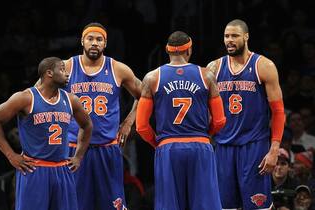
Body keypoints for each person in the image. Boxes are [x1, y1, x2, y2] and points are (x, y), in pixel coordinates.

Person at [0, 57, 93, 210]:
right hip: (35, 169)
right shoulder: (25, 98)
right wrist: (11, 155)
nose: (67, 73)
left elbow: (87, 125)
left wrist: (78, 156)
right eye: (62, 69)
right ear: (49, 73)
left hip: (62, 169)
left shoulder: (71, 100)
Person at [136, 31, 226, 210]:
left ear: (167, 51)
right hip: (200, 145)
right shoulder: (206, 75)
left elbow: (141, 126)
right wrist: (204, 135)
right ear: (189, 50)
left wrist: (159, 143)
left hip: (168, 148)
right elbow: (220, 120)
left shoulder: (152, 78)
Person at [206, 19, 285, 209]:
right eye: (226, 36)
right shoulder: (214, 68)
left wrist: (274, 149)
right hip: (223, 146)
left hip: (254, 146)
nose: (229, 40)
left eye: (234, 36)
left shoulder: (263, 66)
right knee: (225, 207)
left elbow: (279, 112)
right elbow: (205, 112)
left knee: (257, 206)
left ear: (246, 37)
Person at [63, 22, 141, 210]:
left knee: (113, 205)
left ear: (105, 44)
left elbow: (145, 95)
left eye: (99, 39)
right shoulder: (66, 67)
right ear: (82, 41)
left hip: (107, 148)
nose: (94, 43)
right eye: (90, 38)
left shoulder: (118, 69)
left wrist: (129, 122)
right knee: (76, 205)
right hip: (74, 149)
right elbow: (38, 95)